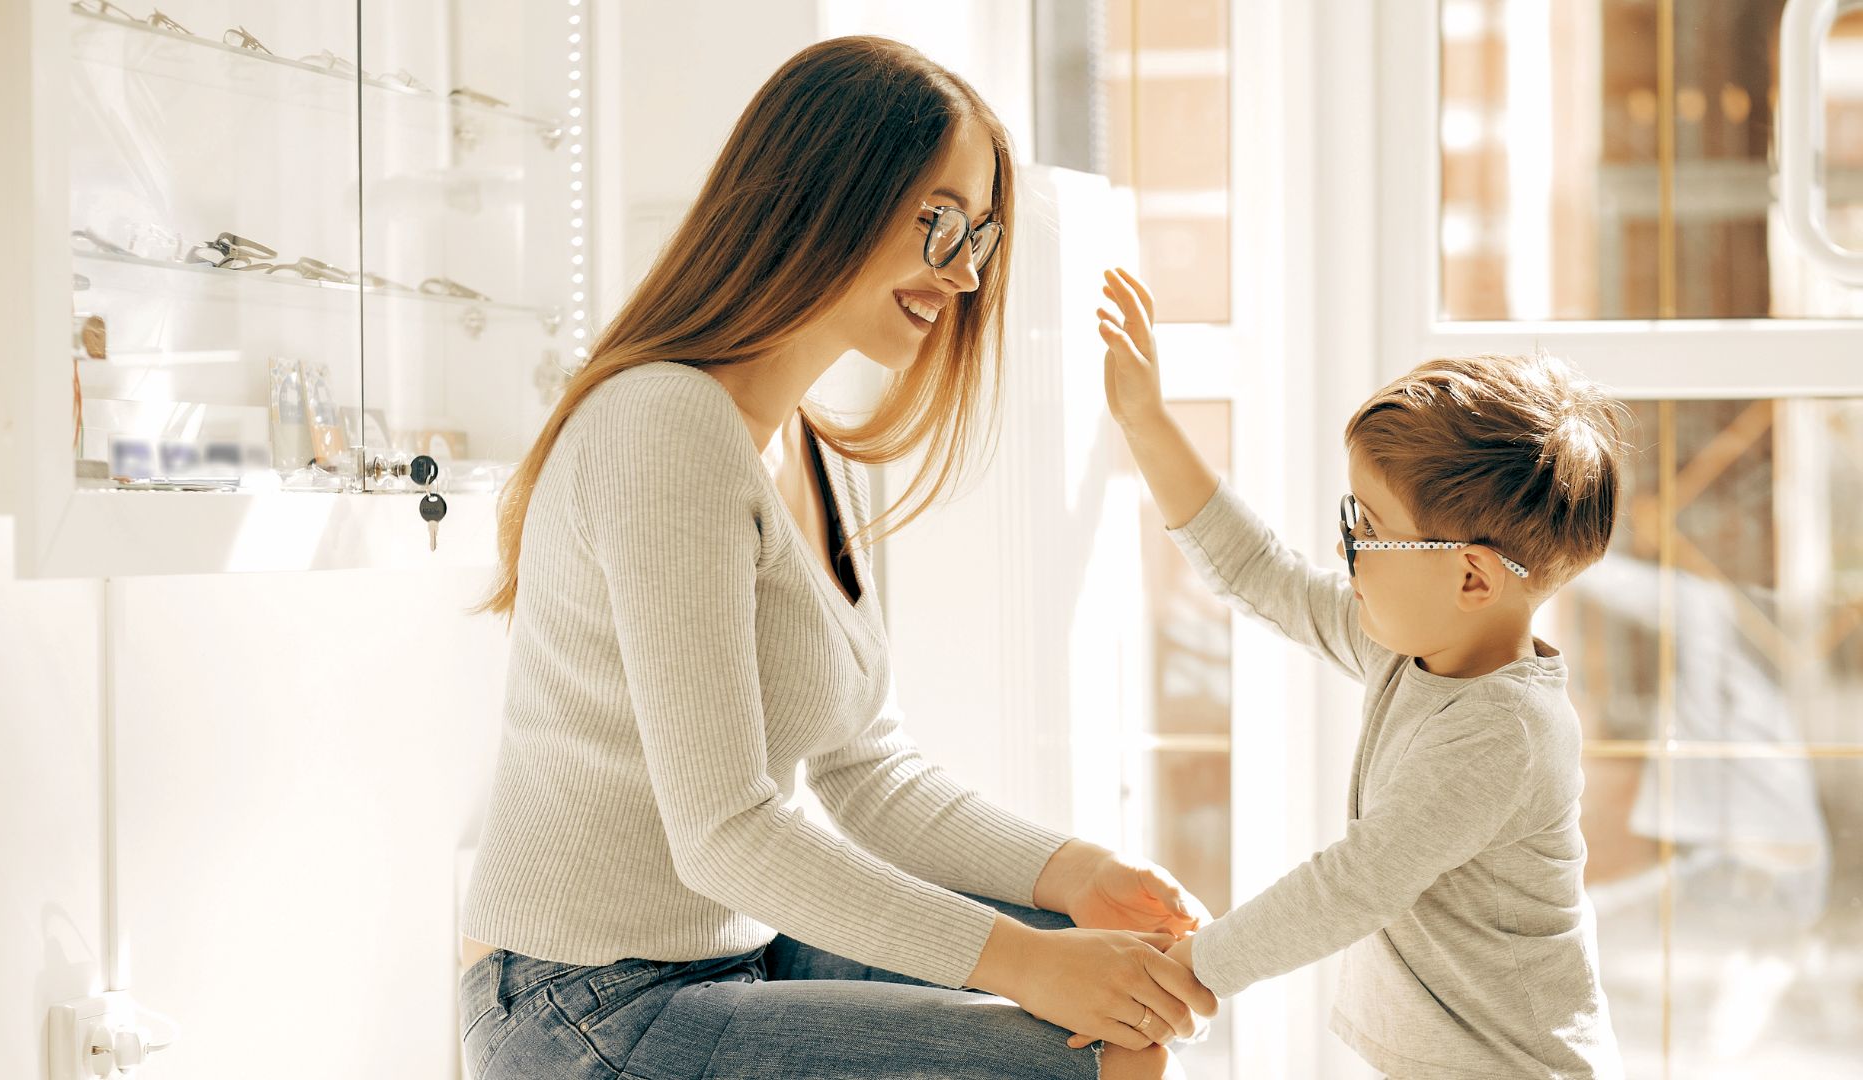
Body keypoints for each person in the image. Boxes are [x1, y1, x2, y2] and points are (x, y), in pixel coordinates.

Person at [456, 38, 1217, 1080]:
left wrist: (1078, 875)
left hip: (734, 956)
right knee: (1101, 1056)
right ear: (825, 190)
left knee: (1133, 996)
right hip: (590, 1009)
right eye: (939, 221)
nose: (964, 273)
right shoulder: (663, 428)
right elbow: (724, 833)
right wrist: (1032, 961)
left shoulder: (801, 445)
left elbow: (867, 771)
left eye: (981, 237)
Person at [1095, 267, 1627, 1078]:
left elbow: (1349, 886)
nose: (1347, 548)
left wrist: (1192, 972)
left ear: (1472, 579)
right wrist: (1147, 422)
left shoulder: (1504, 733)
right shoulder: (1413, 648)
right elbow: (1260, 572)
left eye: (1366, 526)